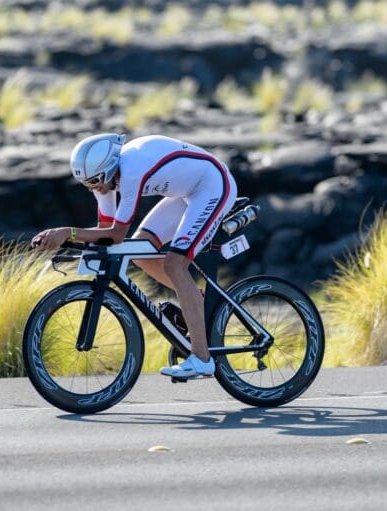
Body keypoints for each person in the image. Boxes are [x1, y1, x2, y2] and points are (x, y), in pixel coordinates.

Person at [30, 133, 237, 379]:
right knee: (141, 250)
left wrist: (69, 232)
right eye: (88, 184)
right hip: (185, 194)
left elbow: (116, 235)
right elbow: (104, 232)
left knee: (174, 264)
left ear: (108, 168)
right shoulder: (103, 178)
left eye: (96, 181)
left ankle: (202, 359)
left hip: (213, 185)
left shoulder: (131, 171)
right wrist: (64, 237)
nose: (95, 188)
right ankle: (197, 302)